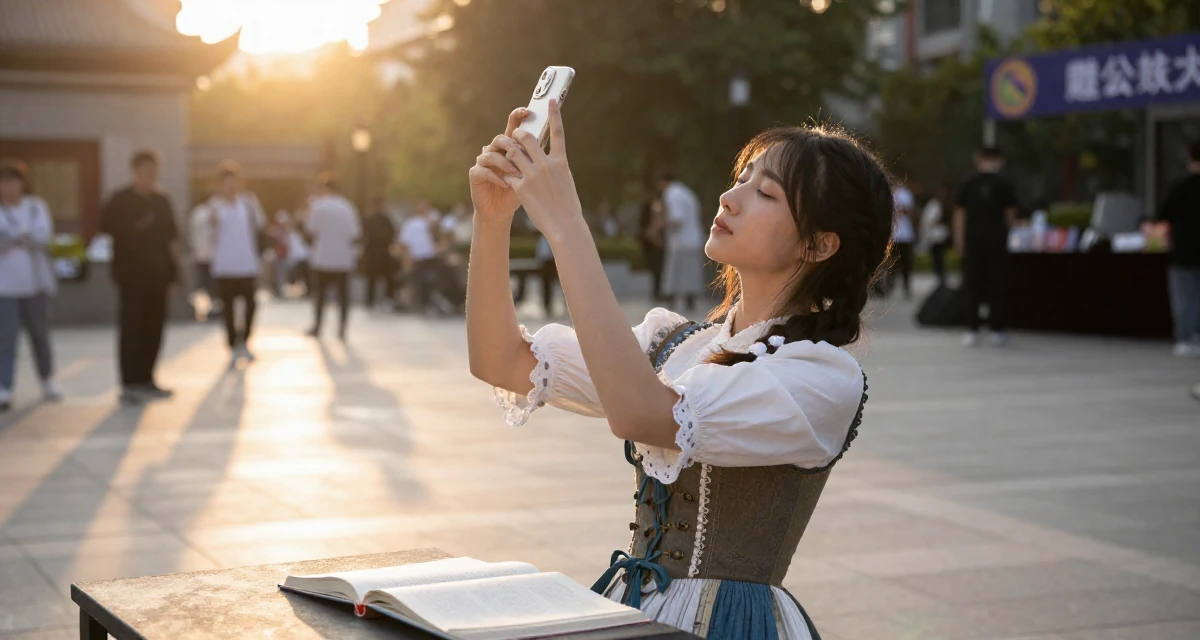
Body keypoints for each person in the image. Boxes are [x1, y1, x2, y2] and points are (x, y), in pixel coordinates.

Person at [467, 102, 891, 638]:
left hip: (733, 624)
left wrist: (567, 227)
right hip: (636, 608)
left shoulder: (820, 375)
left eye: (765, 194)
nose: (730, 197)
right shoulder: (677, 343)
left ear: (818, 244)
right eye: (742, 178)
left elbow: (640, 414)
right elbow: (501, 361)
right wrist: (493, 217)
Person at [100, 151, 180, 404]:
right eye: (144, 171)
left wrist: (175, 274)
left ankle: (147, 378)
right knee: (131, 329)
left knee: (154, 329)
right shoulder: (119, 200)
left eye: (153, 172)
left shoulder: (162, 201)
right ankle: (130, 383)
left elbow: (172, 239)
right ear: (134, 172)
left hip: (158, 276)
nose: (149, 177)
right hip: (131, 277)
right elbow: (106, 232)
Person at [0, 160, 60, 411]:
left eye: (14, 181)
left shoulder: (36, 207)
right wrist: (21, 238)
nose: (9, 187)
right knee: (6, 338)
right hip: (5, 288)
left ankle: (47, 379)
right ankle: (4, 387)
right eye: (4, 182)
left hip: (36, 285)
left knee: (40, 335)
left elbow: (42, 237)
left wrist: (14, 238)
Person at [954, 147, 1019, 347]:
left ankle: (972, 329)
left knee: (972, 284)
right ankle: (996, 329)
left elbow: (959, 215)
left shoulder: (968, 183)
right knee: (996, 285)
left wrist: (959, 240)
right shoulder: (1005, 184)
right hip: (997, 242)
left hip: (973, 242)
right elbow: (1010, 216)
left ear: (978, 160)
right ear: (1000, 161)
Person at [207, 162, 265, 367]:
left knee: (251, 306)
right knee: (228, 309)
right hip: (225, 266)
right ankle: (232, 346)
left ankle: (245, 341)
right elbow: (209, 235)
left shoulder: (249, 203)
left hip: (247, 264)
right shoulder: (214, 206)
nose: (231, 186)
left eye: (234, 181)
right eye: (226, 182)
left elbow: (260, 227)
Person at [1157, 141, 1200, 357]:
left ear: (1190, 158)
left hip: (1183, 251)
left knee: (1184, 298)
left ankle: (1186, 338)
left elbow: (1162, 215)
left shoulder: (1180, 187)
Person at [306, 173, 360, 340]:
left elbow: (311, 229)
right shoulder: (347, 207)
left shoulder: (319, 206)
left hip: (323, 257)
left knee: (320, 295)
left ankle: (318, 326)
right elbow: (355, 233)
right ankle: (342, 328)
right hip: (343, 258)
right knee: (343, 296)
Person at [657, 170, 706, 311]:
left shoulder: (672, 194)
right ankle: (690, 300)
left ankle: (671, 299)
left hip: (681, 240)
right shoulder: (686, 192)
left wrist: (660, 225)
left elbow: (677, 219)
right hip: (693, 238)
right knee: (691, 271)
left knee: (675, 272)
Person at [399, 200, 446, 314]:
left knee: (431, 281)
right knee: (420, 283)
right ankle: (421, 304)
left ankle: (431, 303)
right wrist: (407, 260)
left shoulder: (430, 222)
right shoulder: (410, 223)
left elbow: (439, 237)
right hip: (418, 258)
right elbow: (405, 243)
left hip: (430, 257)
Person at [362, 197, 398, 309]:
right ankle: (379, 299)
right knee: (376, 278)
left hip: (378, 252)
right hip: (378, 252)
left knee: (379, 278)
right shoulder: (376, 219)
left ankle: (374, 300)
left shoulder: (381, 219)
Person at [188, 198, 218, 318]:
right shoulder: (208, 213)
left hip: (201, 254)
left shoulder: (196, 213)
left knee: (204, 282)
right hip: (210, 255)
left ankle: (206, 306)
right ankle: (212, 306)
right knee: (209, 283)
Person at [918, 183, 952, 287]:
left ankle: (940, 276)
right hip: (935, 236)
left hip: (938, 236)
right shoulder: (934, 205)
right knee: (938, 257)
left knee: (939, 257)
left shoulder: (937, 204)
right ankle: (939, 275)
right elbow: (929, 221)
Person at [890, 180, 916, 299]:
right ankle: (890, 286)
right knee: (891, 263)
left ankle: (906, 286)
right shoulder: (889, 193)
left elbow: (911, 211)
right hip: (893, 234)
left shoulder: (906, 194)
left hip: (905, 234)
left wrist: (903, 210)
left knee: (906, 262)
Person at [639, 195, 667, 301]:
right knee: (658, 268)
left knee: (658, 269)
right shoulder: (656, 207)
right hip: (655, 244)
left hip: (655, 243)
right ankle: (659, 293)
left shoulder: (652, 207)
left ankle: (658, 292)